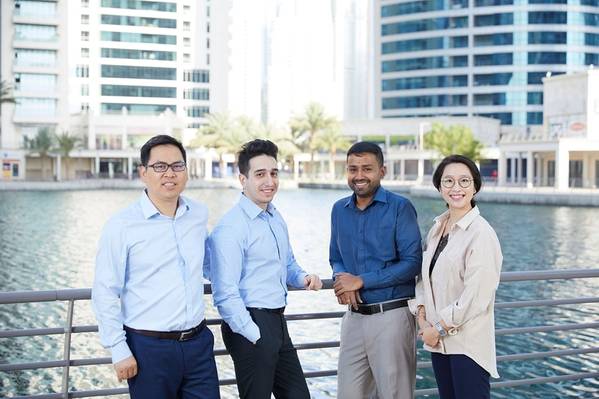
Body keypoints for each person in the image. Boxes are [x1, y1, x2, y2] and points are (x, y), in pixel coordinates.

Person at [92, 135, 220, 399]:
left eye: (177, 166)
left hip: (198, 344)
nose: (169, 173)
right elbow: (105, 291)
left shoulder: (198, 214)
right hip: (147, 349)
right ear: (143, 173)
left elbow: (211, 265)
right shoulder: (122, 225)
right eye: (159, 166)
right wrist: (118, 348)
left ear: (186, 170)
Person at [209, 139, 323, 399]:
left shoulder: (274, 216)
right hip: (250, 325)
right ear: (242, 178)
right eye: (260, 174)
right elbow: (225, 293)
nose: (269, 181)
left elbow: (288, 264)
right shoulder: (231, 227)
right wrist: (254, 335)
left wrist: (303, 277)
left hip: (277, 323)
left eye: (273, 173)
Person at [329, 141, 423, 399]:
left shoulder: (400, 208)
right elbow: (336, 258)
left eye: (367, 168)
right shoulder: (339, 210)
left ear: (382, 171)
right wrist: (341, 281)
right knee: (348, 394)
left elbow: (413, 262)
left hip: (391, 317)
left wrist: (360, 281)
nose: (359, 175)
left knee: (394, 394)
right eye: (352, 169)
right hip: (353, 319)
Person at [409, 154, 503, 399]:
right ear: (439, 187)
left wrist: (437, 328)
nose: (456, 188)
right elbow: (423, 279)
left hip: (467, 347)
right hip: (439, 344)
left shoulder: (481, 233)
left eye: (464, 181)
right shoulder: (437, 229)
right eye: (448, 181)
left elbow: (476, 297)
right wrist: (422, 319)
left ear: (475, 186)